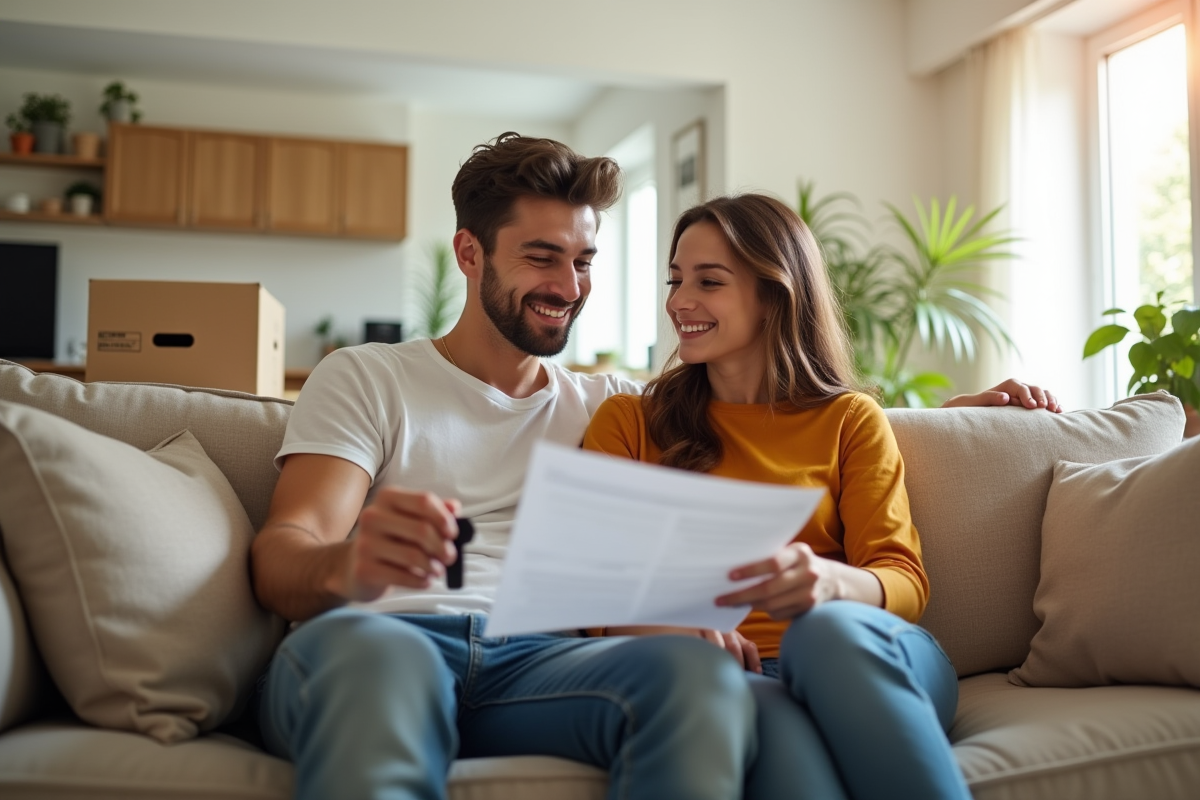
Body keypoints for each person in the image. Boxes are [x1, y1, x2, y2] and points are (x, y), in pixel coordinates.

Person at [250, 132, 1057, 800]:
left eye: (584, 260)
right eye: (542, 257)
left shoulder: (613, 403)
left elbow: (784, 413)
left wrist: (956, 416)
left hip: (542, 663)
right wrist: (349, 566)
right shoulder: (370, 377)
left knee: (694, 674)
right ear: (469, 252)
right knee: (379, 663)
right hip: (388, 637)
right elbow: (283, 555)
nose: (569, 286)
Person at [580, 193, 1050, 800]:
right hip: (735, 676)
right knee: (773, 723)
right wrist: (674, 630)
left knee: (821, 633)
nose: (678, 301)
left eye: (708, 281)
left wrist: (830, 585)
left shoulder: (850, 418)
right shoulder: (630, 423)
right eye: (675, 280)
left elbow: (904, 581)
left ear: (774, 294)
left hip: (869, 656)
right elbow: (593, 596)